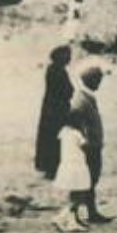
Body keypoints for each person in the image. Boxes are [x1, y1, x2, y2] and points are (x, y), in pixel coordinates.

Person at [66, 64, 111, 223]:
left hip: (93, 144)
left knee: (91, 180)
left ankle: (91, 213)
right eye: (97, 79)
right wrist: (83, 139)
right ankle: (74, 214)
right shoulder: (81, 99)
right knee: (84, 180)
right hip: (88, 147)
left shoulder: (86, 97)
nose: (99, 83)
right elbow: (73, 118)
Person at [34, 45, 75, 180]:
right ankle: (52, 167)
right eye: (67, 56)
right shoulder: (58, 71)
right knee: (55, 137)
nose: (69, 58)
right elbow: (66, 90)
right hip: (57, 109)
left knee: (50, 137)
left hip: (51, 108)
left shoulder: (54, 69)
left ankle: (49, 166)